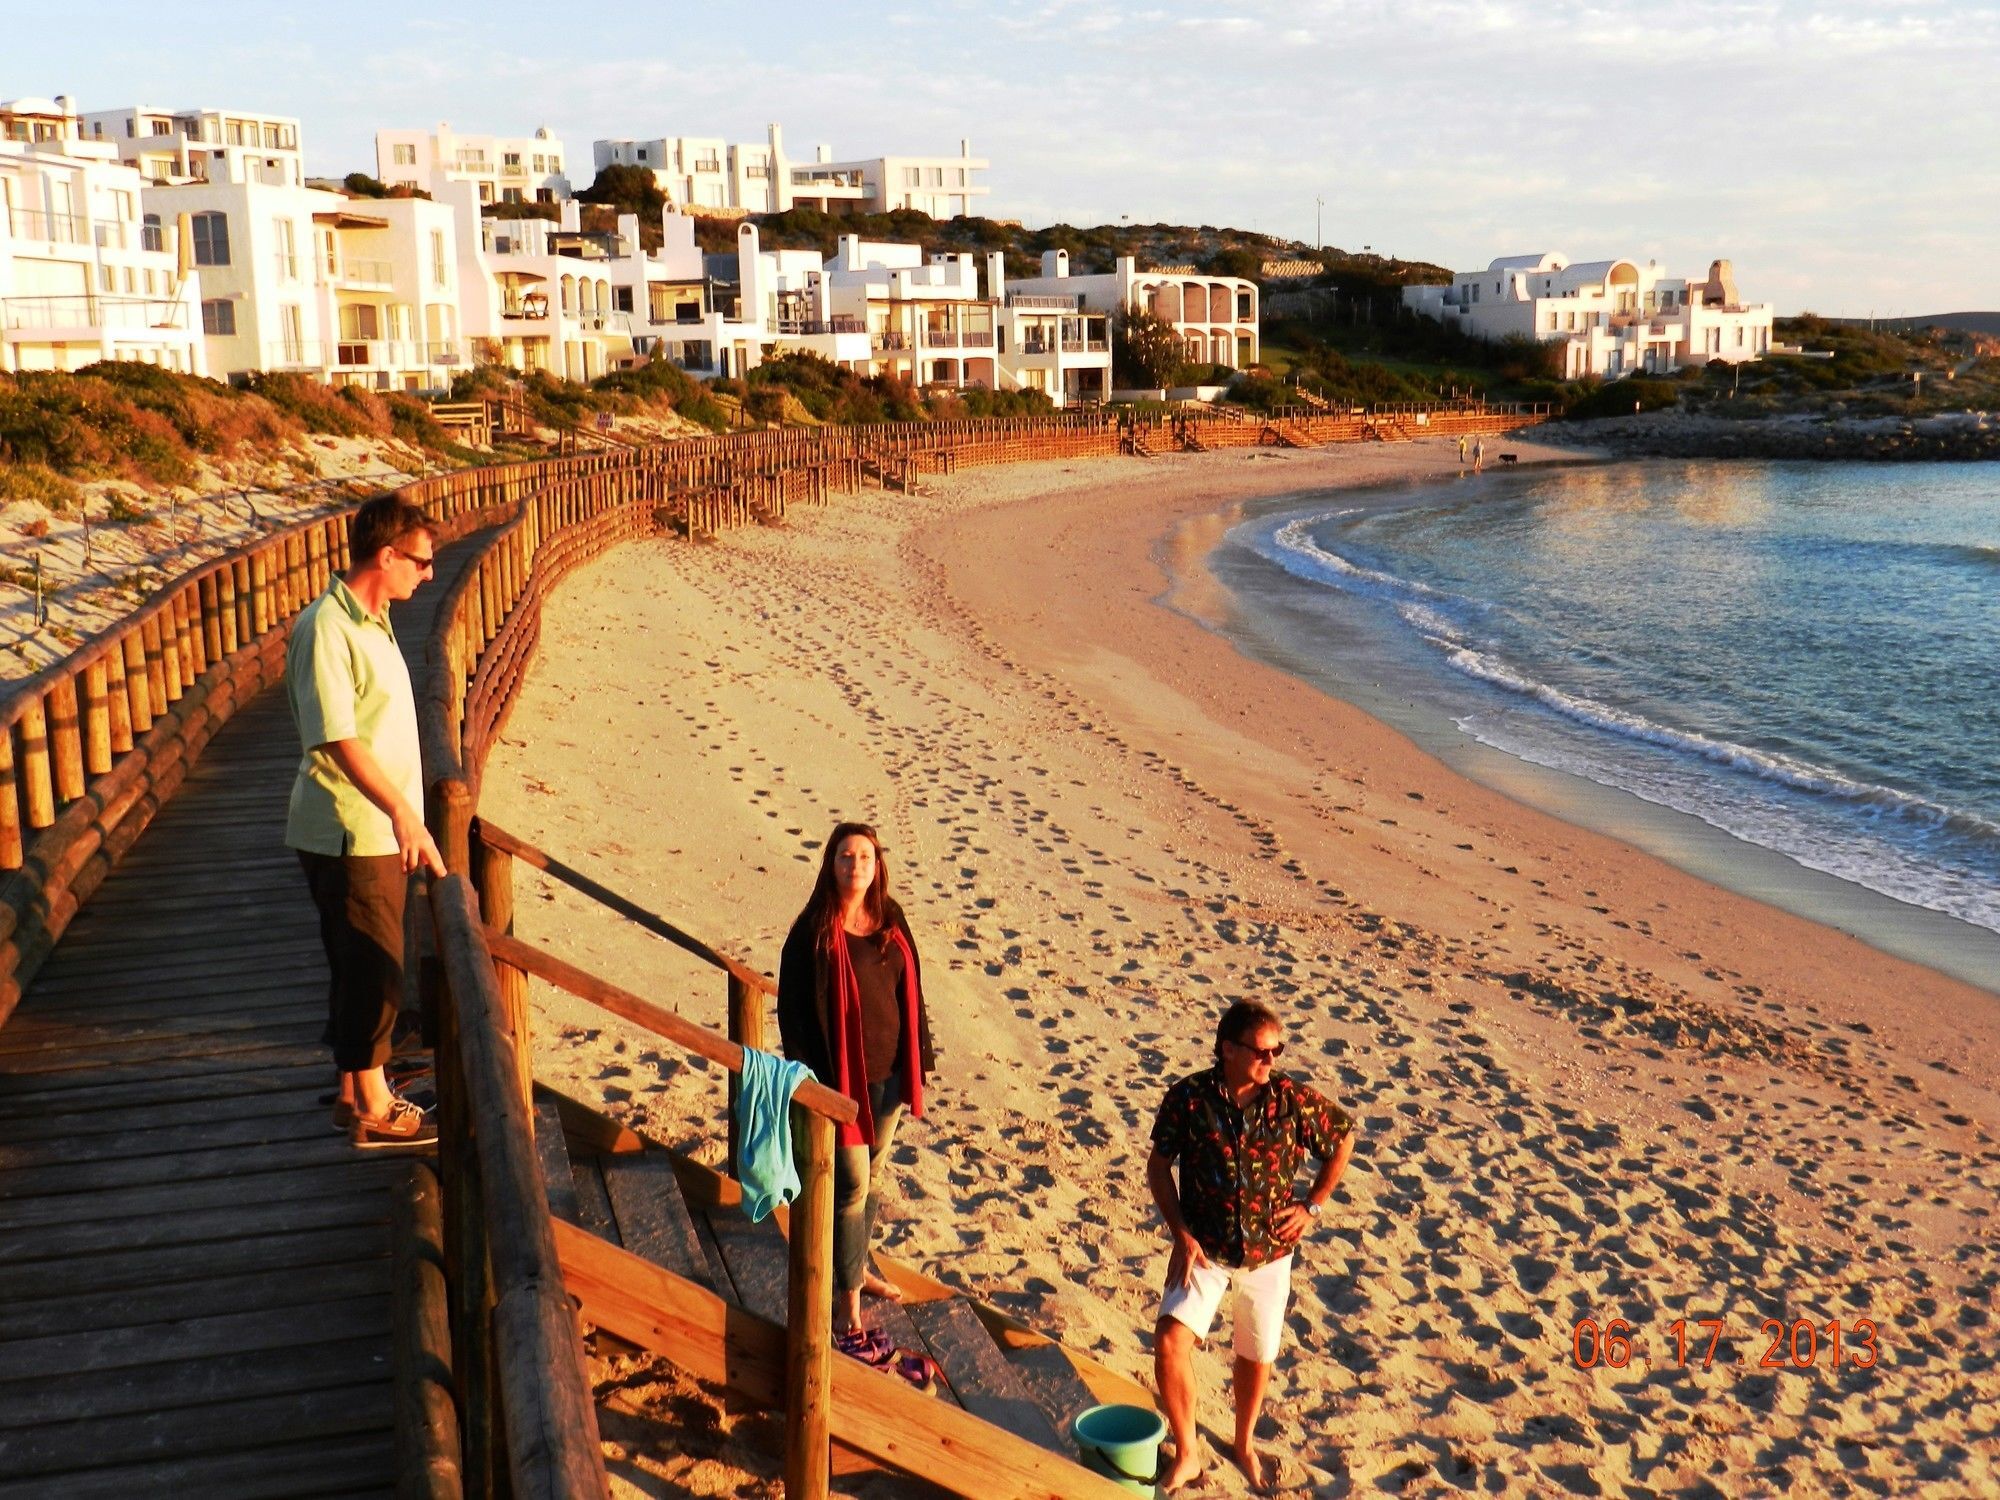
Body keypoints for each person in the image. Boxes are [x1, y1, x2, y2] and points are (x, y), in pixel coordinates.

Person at [286, 495, 446, 1148]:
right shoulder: (327, 626)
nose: (430, 574)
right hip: (352, 829)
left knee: (357, 963)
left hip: (371, 827)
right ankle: (378, 1112)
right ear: (386, 556)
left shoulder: (372, 620)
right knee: (376, 967)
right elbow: (336, 740)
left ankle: (356, 1094)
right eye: (421, 562)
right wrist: (404, 812)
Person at [1148, 1000, 1355, 1493]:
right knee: (1170, 1342)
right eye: (1261, 1052)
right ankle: (1189, 1453)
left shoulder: (1292, 1100)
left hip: (1270, 1254)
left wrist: (1313, 1204)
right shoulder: (1189, 1099)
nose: (1271, 1061)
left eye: (1277, 1051)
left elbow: (1343, 1137)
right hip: (1205, 1249)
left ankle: (1242, 1442)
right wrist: (1181, 1232)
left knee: (1254, 1355)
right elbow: (1158, 1166)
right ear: (1227, 1049)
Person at [777, 822, 935, 1337]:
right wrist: (811, 1080)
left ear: (877, 865)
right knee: (851, 1187)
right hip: (840, 1081)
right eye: (846, 857)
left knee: (873, 1177)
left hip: (889, 1074)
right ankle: (847, 1300)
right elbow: (793, 1011)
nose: (856, 867)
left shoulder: (891, 918)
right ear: (831, 864)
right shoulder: (813, 930)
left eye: (864, 857)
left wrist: (919, 1060)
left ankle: (857, 1269)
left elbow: (912, 994)